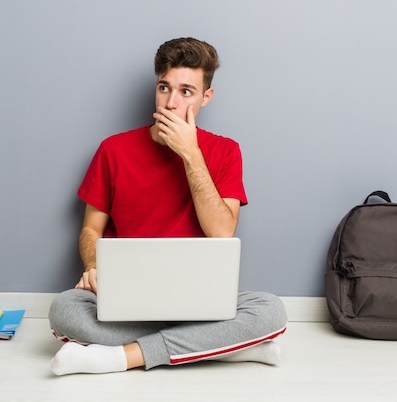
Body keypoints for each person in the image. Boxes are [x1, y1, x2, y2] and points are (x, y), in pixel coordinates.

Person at [48, 37, 288, 375]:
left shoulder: (225, 151)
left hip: (199, 302)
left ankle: (119, 358)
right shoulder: (113, 150)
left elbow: (222, 232)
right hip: (125, 299)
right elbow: (91, 229)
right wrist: (92, 266)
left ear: (207, 97)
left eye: (186, 92)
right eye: (164, 88)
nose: (171, 103)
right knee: (64, 309)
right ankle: (219, 347)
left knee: (270, 309)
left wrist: (191, 154)